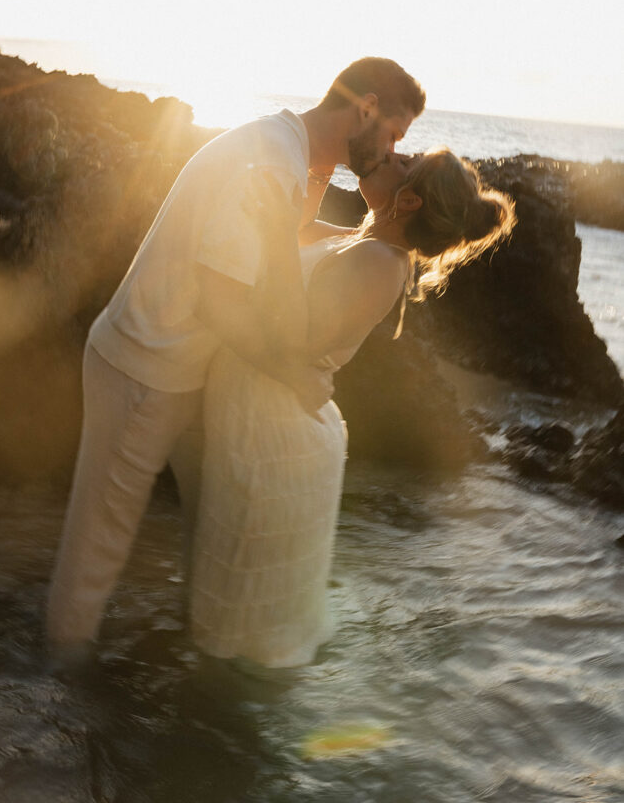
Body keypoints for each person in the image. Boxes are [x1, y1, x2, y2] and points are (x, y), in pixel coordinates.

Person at [46, 57, 426, 649]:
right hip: (143, 365)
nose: (391, 148)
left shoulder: (300, 157)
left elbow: (287, 234)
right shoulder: (271, 162)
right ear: (366, 107)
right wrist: (293, 375)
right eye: (394, 133)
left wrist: (377, 241)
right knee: (97, 550)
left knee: (216, 543)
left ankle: (192, 689)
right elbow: (221, 303)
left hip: (190, 376)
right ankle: (57, 694)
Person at [189, 148, 516, 667]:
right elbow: (293, 236)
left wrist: (276, 232)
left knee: (253, 645)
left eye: (404, 162)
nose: (393, 155)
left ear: (407, 199)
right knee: (232, 619)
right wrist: (322, 162)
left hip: (279, 432)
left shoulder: (380, 264)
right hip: (262, 412)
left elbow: (295, 339)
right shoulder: (363, 242)